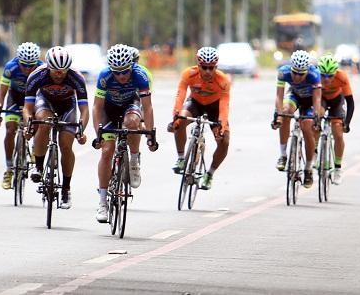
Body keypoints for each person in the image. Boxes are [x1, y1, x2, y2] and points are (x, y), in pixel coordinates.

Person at [92, 43, 157, 223]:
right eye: (117, 72)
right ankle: (103, 203)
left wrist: (150, 134)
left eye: (125, 71)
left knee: (133, 122)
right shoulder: (104, 76)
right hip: (109, 110)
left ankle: (134, 160)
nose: (121, 76)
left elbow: (148, 107)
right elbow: (97, 107)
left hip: (130, 105)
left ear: (131, 66)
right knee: (106, 152)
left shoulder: (140, 75)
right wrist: (98, 132)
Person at [22, 46, 89, 209]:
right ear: (49, 68)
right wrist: (29, 125)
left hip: (68, 106)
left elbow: (85, 109)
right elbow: (27, 108)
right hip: (46, 102)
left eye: (63, 71)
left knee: (66, 146)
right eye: (55, 71)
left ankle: (66, 189)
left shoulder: (76, 78)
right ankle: (38, 166)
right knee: (44, 123)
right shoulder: (37, 75)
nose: (59, 75)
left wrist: (81, 129)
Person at [168, 46, 231, 191]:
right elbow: (180, 97)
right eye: (204, 67)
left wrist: (222, 127)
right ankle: (181, 159)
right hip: (195, 103)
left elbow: (224, 107)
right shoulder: (188, 74)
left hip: (214, 108)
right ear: (198, 65)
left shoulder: (223, 81)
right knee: (181, 119)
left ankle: (209, 174)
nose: (208, 71)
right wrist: (175, 119)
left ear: (216, 66)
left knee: (224, 140)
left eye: (211, 68)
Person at [0, 42, 43, 190]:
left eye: (30, 65)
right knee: (10, 131)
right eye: (24, 65)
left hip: (34, 98)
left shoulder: (42, 69)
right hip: (15, 98)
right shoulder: (11, 67)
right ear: (18, 60)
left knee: (38, 120)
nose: (27, 69)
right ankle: (9, 169)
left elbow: (45, 95)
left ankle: (35, 148)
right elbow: (1, 93)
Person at [271, 50, 322, 188]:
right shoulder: (284, 72)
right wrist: (278, 114)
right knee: (285, 112)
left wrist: (316, 116)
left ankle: (308, 168)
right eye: (295, 73)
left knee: (307, 126)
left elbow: (317, 99)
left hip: (310, 101)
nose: (298, 77)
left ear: (307, 70)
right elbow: (279, 97)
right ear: (291, 68)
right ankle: (283, 155)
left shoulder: (314, 74)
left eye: (301, 74)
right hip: (294, 96)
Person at [317, 54, 354, 185]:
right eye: (323, 75)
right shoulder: (315, 76)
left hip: (337, 100)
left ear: (335, 73)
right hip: (321, 98)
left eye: (330, 76)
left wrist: (347, 122)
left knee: (338, 132)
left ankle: (338, 168)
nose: (326, 79)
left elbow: (350, 102)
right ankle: (316, 152)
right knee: (317, 117)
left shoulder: (342, 76)